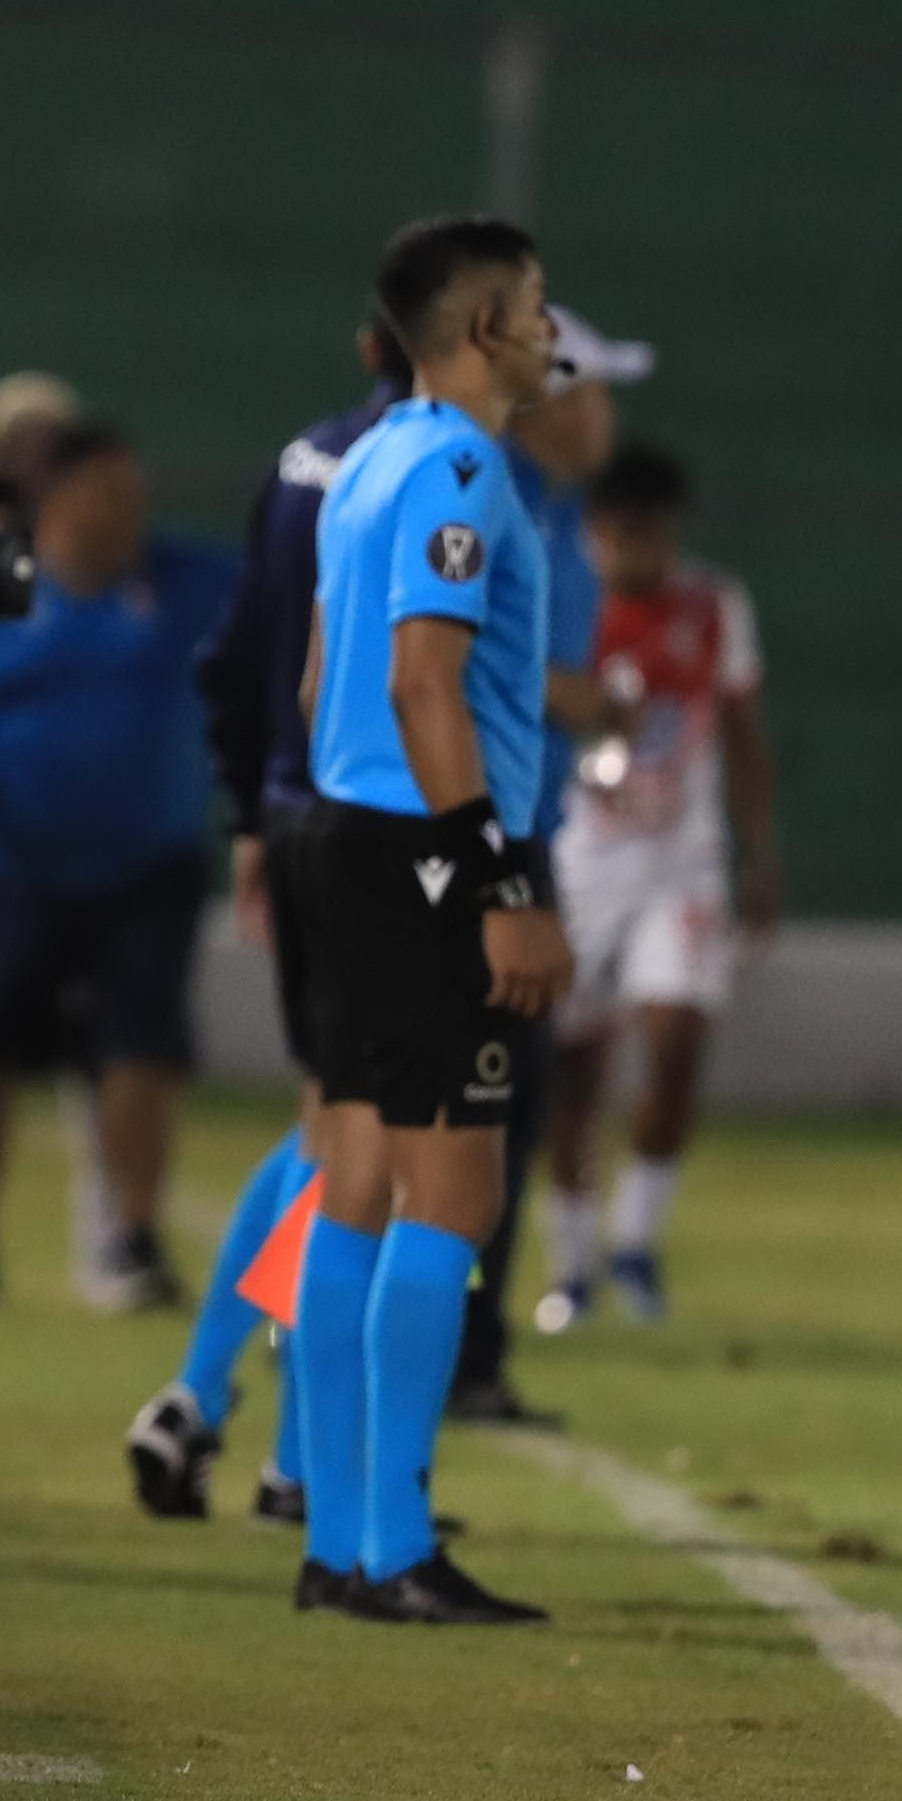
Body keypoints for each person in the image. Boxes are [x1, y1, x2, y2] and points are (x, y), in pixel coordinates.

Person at [289, 213, 570, 1627]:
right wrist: (497, 886)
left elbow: (319, 676)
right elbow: (420, 684)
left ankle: (338, 1536)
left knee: (351, 1173)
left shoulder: (365, 460)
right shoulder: (460, 463)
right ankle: (393, 1543)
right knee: (453, 1189)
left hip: (347, 837)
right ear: (478, 329)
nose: (548, 329)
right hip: (422, 845)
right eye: (531, 306)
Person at [121, 323, 402, 1520]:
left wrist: (252, 804)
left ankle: (208, 1402)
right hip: (384, 832)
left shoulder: (306, 459)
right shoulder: (430, 472)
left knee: (328, 1125)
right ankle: (297, 1457)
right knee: (368, 1140)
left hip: (297, 815)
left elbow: (240, 654)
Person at [0, 421, 235, 1313]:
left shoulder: (187, 580)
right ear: (56, 501)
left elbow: (286, 629)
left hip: (146, 867)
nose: (129, 510)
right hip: (4, 867)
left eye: (134, 490)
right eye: (106, 492)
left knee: (139, 1053)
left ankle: (134, 1239)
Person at [448, 310, 647, 1407]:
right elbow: (459, 665)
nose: (603, 416)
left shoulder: (547, 511)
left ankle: (400, 1346)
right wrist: (590, 701)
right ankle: (440, 1358)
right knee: (466, 1110)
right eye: (593, 390)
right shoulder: (500, 502)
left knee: (447, 1109)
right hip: (477, 832)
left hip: (495, 824)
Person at [534, 443, 778, 1327]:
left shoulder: (714, 606)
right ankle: (570, 1265)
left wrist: (761, 848)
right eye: (623, 533)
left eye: (656, 535)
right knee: (571, 1071)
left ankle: (634, 1240)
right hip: (576, 866)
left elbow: (744, 729)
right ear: (593, 532)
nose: (641, 552)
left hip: (682, 865)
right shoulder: (562, 603)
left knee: (674, 1043)